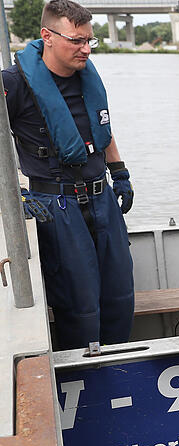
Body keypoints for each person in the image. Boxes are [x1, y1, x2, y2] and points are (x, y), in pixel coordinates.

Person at [3, 0, 135, 350]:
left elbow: (101, 131)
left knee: (120, 296)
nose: (86, 49)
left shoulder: (87, 77)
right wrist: (15, 192)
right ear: (47, 36)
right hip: (55, 205)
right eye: (77, 40)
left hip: (102, 197)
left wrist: (119, 172)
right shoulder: (14, 84)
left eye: (90, 40)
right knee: (80, 307)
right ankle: (83, 383)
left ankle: (120, 368)